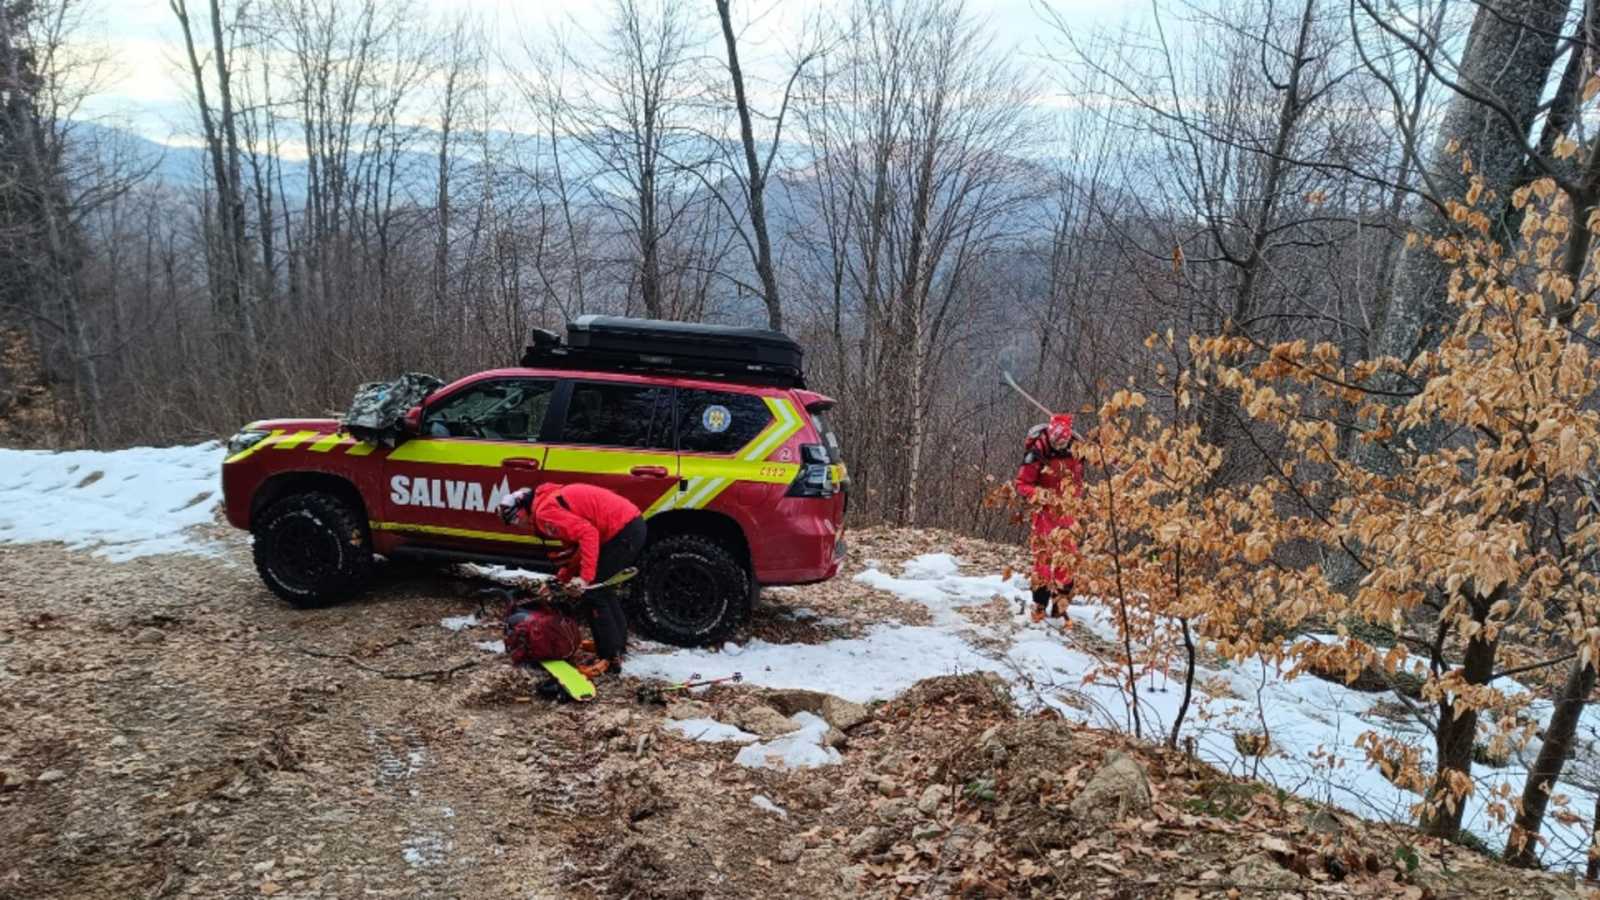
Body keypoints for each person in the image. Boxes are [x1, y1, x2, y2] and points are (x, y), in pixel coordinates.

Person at [498, 483, 647, 676]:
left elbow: (588, 534)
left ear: (524, 508)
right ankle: (616, 644)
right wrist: (562, 579)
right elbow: (578, 549)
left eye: (517, 519)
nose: (521, 525)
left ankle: (609, 658)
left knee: (593, 593)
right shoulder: (545, 502)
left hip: (621, 531)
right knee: (603, 590)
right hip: (628, 526)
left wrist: (584, 579)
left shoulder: (545, 513)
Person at [1015, 412, 1085, 623]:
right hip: (1045, 510)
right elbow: (1021, 484)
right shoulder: (1037, 452)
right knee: (1043, 560)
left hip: (1069, 509)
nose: (1058, 445)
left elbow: (1092, 465)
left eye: (1062, 442)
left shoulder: (1078, 449)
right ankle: (1039, 605)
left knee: (1068, 559)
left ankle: (1060, 607)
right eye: (1055, 441)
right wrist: (1040, 494)